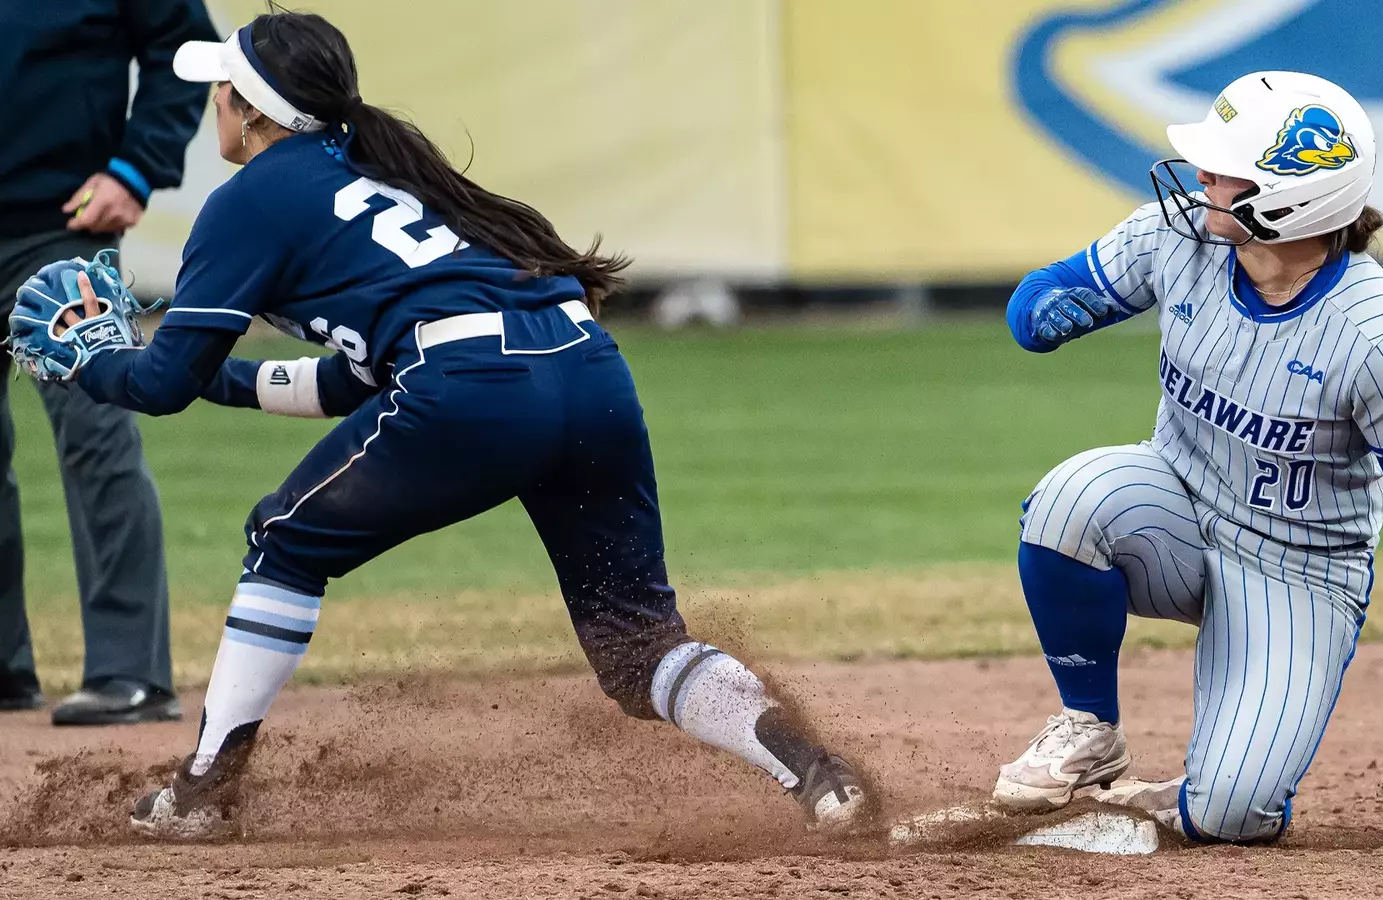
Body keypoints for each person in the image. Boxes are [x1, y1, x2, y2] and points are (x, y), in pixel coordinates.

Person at [7, 10, 869, 840]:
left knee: (282, 542)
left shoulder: (250, 199)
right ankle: (818, 773)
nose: (212, 105)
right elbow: (352, 381)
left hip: (473, 387)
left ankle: (203, 795)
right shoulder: (387, 168)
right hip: (586, 368)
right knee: (637, 646)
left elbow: (158, 384)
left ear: (254, 110)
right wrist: (213, 383)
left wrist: (89, 361)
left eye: (223, 89)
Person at [990, 72, 1383, 843]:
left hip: (1300, 572)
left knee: (1233, 816)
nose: (1202, 179)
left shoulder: (1380, 337)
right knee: (1070, 502)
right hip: (1175, 515)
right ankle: (1089, 727)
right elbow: (1053, 289)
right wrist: (1038, 309)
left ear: (1287, 200)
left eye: (1226, 169)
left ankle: (1189, 795)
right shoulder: (1177, 235)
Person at [0, 0, 217, 724]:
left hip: (58, 225)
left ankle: (131, 671)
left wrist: (136, 168)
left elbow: (185, 51)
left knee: (97, 432)